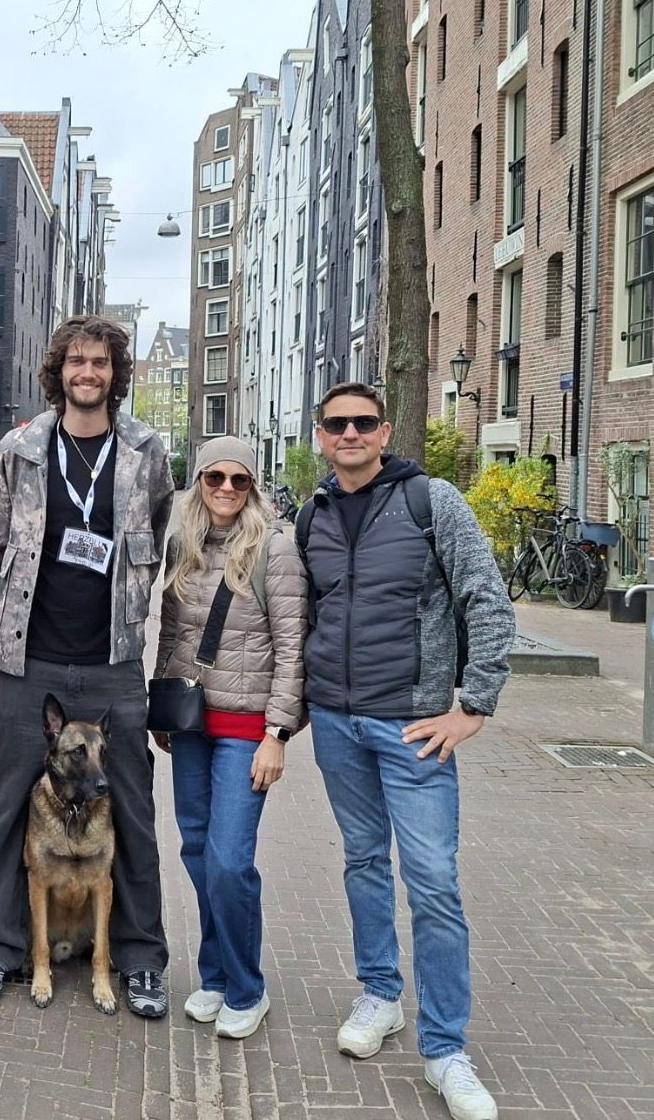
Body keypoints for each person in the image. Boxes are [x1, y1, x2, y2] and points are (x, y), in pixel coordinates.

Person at [300, 382, 513, 1120]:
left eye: (363, 422)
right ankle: (380, 995)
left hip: (413, 726)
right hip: (337, 722)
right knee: (362, 860)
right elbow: (309, 613)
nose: (350, 433)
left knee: (430, 882)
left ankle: (446, 1049)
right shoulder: (313, 514)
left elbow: (486, 597)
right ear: (320, 434)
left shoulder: (432, 502)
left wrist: (474, 705)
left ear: (383, 431)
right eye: (337, 424)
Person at [0, 314, 175, 1017]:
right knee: (5, 807)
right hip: (32, 661)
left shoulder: (145, 451)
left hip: (114, 661)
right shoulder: (18, 450)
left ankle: (140, 958)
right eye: (76, 362)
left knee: (132, 810)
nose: (88, 373)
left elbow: (160, 529)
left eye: (101, 362)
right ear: (59, 372)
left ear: (116, 373)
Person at [152, 436, 307, 1040]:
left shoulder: (276, 549)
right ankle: (214, 975)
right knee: (196, 848)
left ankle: (248, 987)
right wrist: (161, 701)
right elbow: (170, 632)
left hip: (247, 728)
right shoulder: (182, 547)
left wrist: (278, 733)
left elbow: (294, 647)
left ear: (252, 487)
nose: (224, 489)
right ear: (197, 482)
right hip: (191, 723)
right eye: (213, 477)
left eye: (237, 480)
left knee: (229, 861)